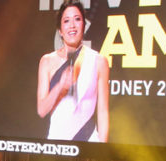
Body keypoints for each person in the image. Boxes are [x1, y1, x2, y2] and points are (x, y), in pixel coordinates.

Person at [36, 0, 110, 142]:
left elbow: (103, 112)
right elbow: (42, 110)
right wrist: (60, 86)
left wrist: (101, 149)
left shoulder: (98, 61)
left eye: (77, 19)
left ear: (84, 25)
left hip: (89, 142)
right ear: (60, 30)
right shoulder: (47, 61)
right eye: (66, 21)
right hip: (57, 143)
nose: (72, 25)